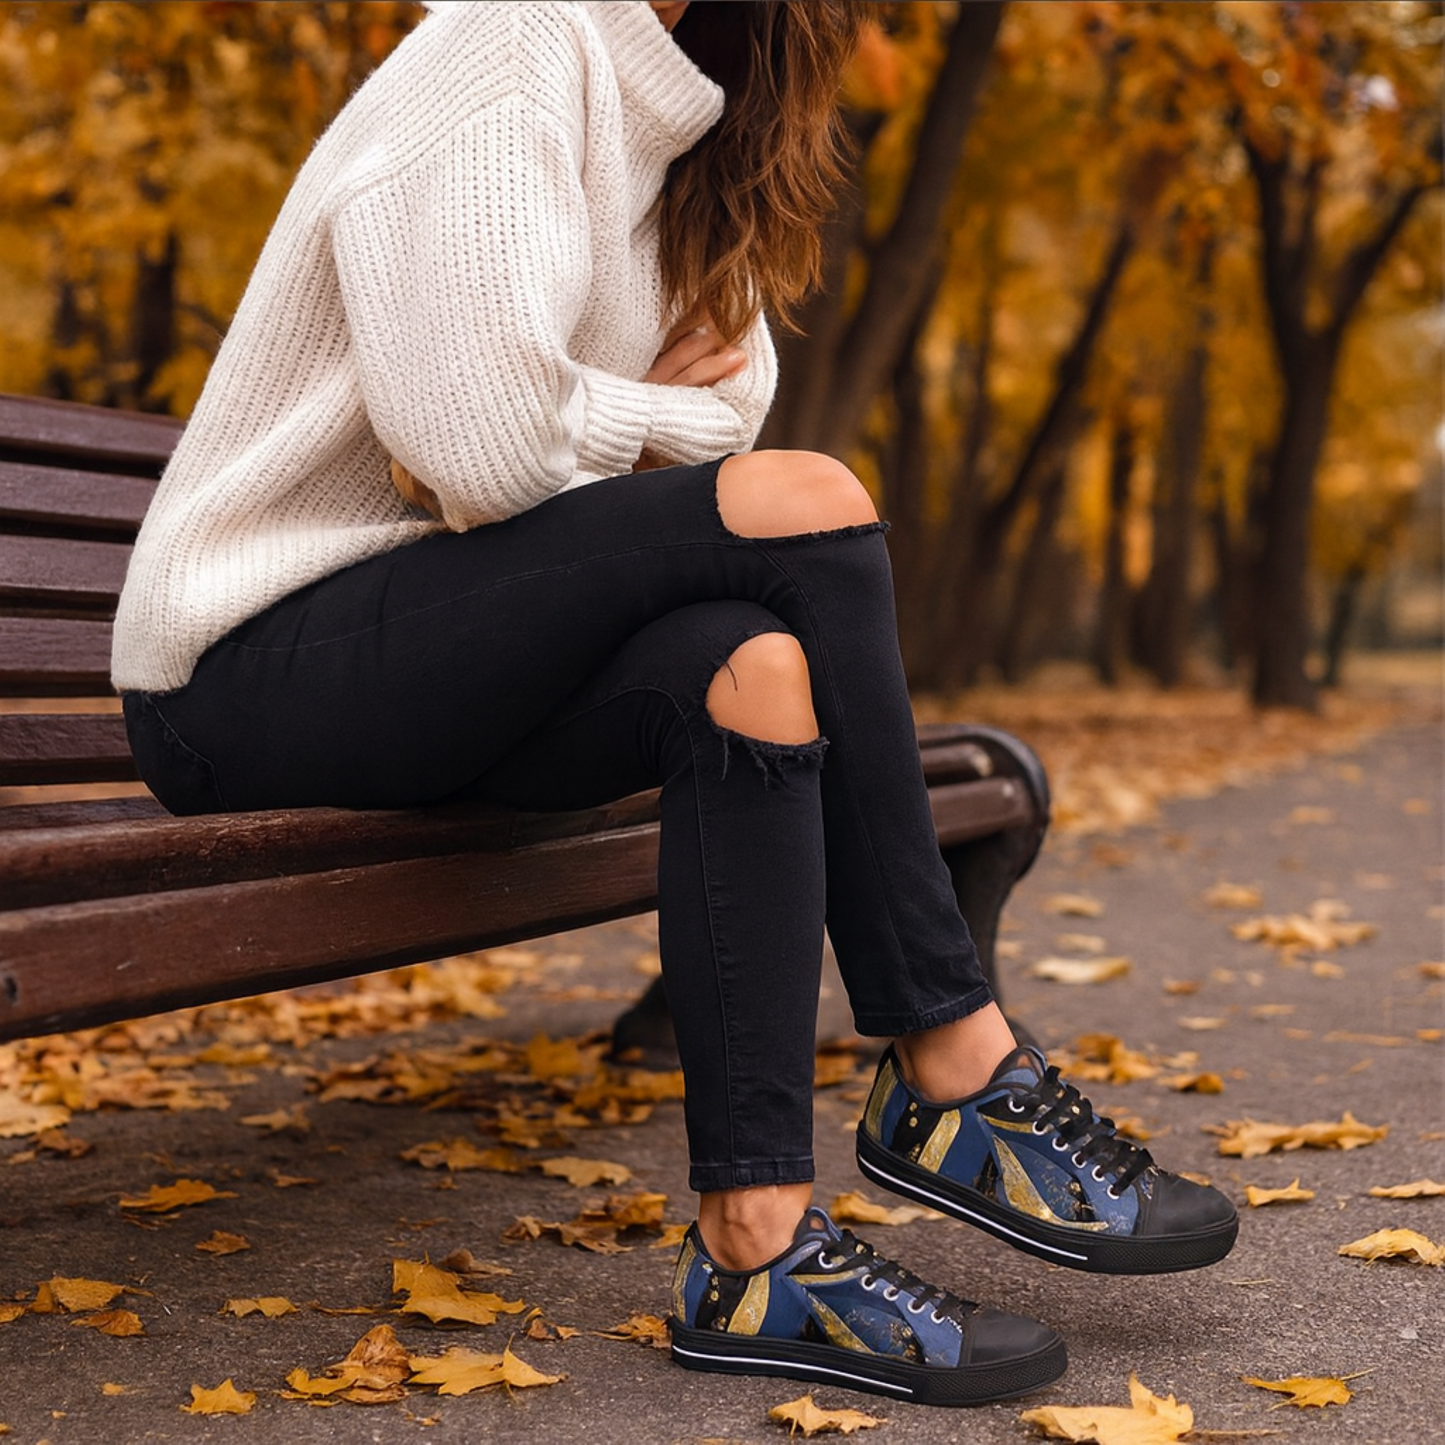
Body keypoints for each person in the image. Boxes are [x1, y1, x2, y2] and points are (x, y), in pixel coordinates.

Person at [113, 0, 1237, 1409]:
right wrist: (630, 417)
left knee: (748, 672)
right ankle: (953, 1064)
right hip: (246, 663)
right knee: (814, 504)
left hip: (452, 652)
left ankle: (753, 1255)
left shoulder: (712, 106)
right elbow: (478, 445)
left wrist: (590, 415)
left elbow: (722, 399)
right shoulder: (509, 41)